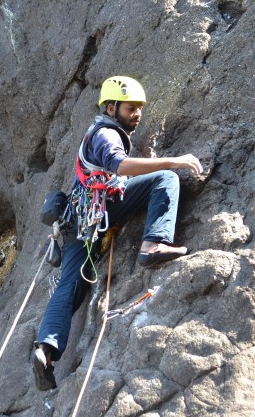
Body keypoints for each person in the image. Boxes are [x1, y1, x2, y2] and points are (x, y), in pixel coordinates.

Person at [32, 75, 203, 390]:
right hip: (99, 213)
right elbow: (120, 165)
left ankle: (46, 350)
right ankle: (153, 245)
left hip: (78, 224)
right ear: (111, 107)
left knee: (71, 287)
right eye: (130, 108)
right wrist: (174, 160)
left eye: (139, 108)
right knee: (165, 178)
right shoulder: (106, 133)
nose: (137, 114)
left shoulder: (99, 132)